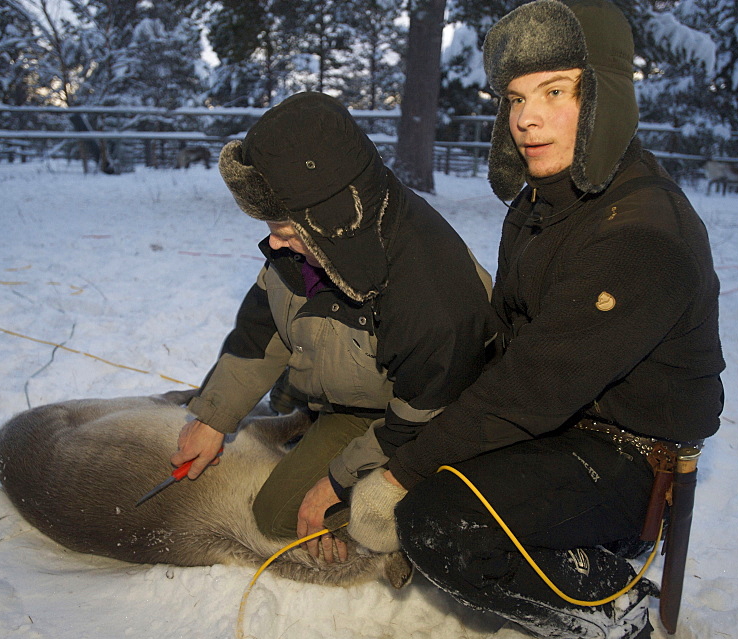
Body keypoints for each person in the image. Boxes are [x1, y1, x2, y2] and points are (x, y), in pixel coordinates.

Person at [340, 1, 726, 639]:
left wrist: (402, 474)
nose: (526, 118)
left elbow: (533, 384)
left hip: (630, 453)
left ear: (603, 93)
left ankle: (608, 612)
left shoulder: (642, 229)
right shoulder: (541, 204)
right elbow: (503, 347)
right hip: (562, 422)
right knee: (437, 478)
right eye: (515, 97)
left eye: (555, 91)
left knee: (438, 520)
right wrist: (410, 436)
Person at [170, 91, 497, 563]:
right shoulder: (317, 245)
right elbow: (261, 331)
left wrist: (340, 483)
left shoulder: (430, 292)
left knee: (290, 515)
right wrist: (213, 416)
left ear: (332, 218)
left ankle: (412, 524)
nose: (272, 242)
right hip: (357, 401)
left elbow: (423, 417)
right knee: (277, 513)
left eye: (284, 229)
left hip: (432, 422)